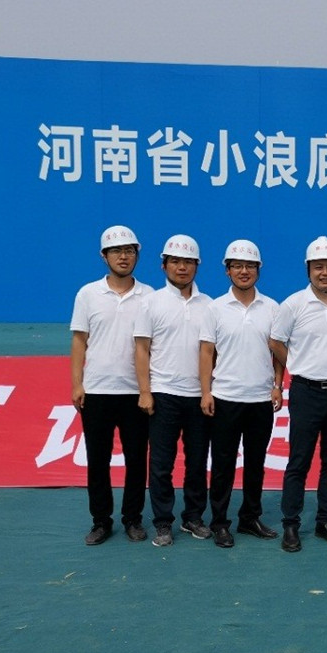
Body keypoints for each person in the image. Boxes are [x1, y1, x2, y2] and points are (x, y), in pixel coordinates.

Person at [270, 236, 327, 552]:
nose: (325, 273)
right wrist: (295, 363)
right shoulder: (293, 304)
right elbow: (275, 341)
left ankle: (325, 521)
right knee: (299, 460)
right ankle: (290, 524)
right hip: (306, 391)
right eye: (319, 267)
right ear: (308, 269)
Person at [70, 225, 154, 545]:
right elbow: (79, 341)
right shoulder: (88, 294)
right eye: (116, 251)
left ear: (137, 255)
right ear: (103, 256)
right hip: (97, 391)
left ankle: (133, 519)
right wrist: (77, 384)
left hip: (136, 392)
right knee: (98, 460)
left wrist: (148, 390)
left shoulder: (149, 296)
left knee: (136, 460)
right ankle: (101, 521)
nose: (123, 256)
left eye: (129, 250)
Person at [199, 239, 283, 549]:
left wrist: (277, 384)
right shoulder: (215, 308)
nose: (243, 271)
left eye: (249, 266)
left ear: (258, 270)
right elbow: (206, 352)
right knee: (222, 465)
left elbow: (278, 352)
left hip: (260, 399)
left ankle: (250, 518)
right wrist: (206, 392)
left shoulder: (272, 308)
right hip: (225, 397)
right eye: (237, 266)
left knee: (256, 463)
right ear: (227, 270)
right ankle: (220, 522)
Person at [133, 234, 213, 547]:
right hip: (163, 394)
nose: (182, 267)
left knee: (197, 462)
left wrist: (208, 391)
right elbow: (142, 349)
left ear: (197, 266)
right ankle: (163, 522)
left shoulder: (209, 305)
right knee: (161, 464)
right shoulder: (151, 303)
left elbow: (212, 352)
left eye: (188, 262)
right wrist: (145, 391)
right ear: (164, 265)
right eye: (175, 261)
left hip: (198, 396)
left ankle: (193, 517)